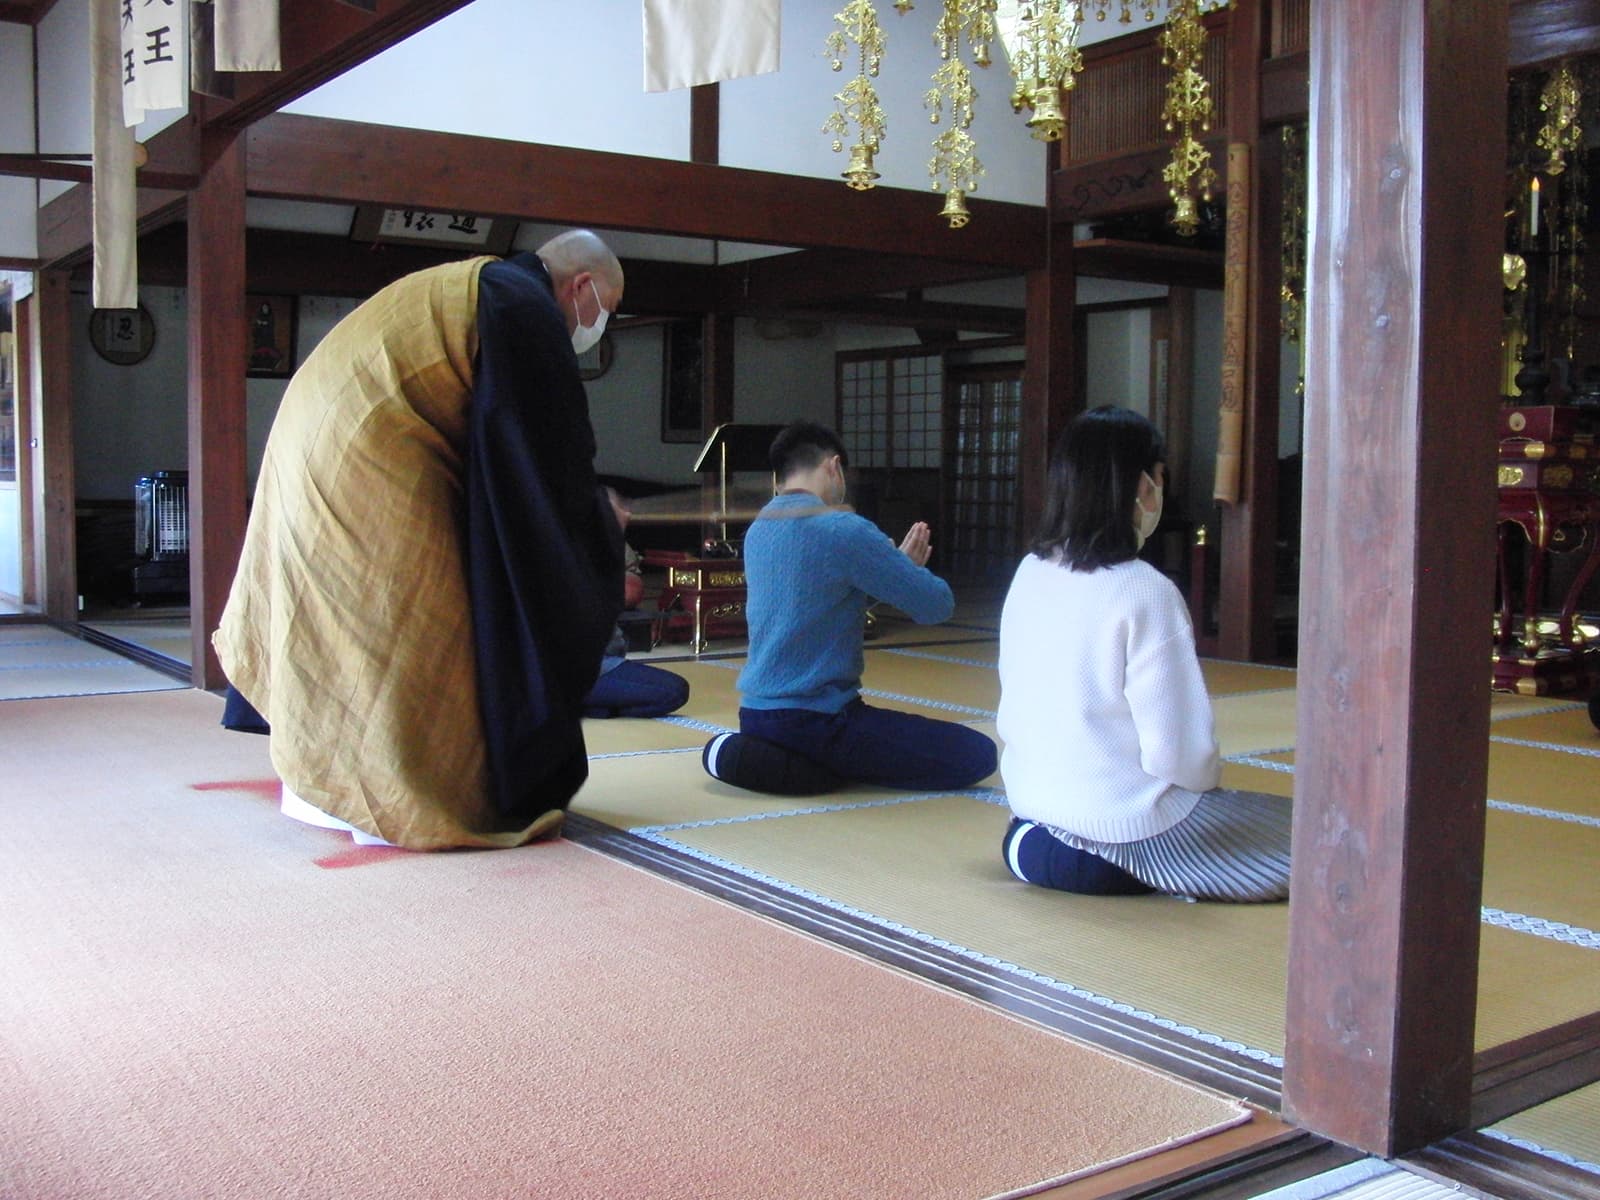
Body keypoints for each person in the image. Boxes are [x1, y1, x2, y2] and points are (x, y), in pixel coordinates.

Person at [214, 230, 627, 850]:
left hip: (319, 439)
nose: (597, 328)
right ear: (582, 286)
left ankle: (317, 784)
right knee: (409, 621)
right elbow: (544, 470)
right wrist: (595, 522)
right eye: (606, 311)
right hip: (367, 454)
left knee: (341, 615)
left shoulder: (476, 284)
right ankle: (384, 794)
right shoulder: (520, 305)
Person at [996, 405, 1292, 901]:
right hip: (1123, 848)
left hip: (1028, 832)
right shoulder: (1144, 591)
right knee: (1317, 841)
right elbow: (1181, 757)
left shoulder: (1029, 571)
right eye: (1159, 477)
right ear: (1140, 486)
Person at [702, 421, 997, 795]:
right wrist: (902, 568)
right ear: (833, 466)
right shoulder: (843, 528)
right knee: (978, 754)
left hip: (756, 715)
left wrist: (891, 569)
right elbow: (937, 606)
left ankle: (760, 757)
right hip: (821, 721)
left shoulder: (760, 529)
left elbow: (821, 602)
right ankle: (809, 763)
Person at [582, 489, 690, 718]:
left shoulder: (610, 547)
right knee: (674, 691)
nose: (627, 514)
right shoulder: (581, 553)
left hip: (605, 661)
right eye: (619, 510)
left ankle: (587, 705)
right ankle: (581, 703)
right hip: (588, 667)